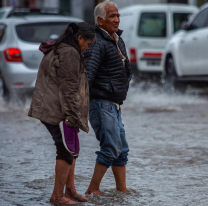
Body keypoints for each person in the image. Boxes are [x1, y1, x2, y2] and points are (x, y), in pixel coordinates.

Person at [28, 22, 95, 205]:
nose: (87, 48)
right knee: (65, 152)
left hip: (58, 109)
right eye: (88, 44)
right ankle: (57, 197)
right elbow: (69, 89)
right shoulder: (69, 53)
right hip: (59, 111)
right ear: (80, 38)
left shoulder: (63, 48)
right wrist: (72, 117)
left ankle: (70, 191)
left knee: (72, 151)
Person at [84, 1, 132, 195]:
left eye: (118, 15)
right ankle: (92, 189)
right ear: (100, 21)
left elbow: (126, 69)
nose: (116, 20)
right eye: (112, 16)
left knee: (122, 150)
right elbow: (88, 74)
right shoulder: (96, 42)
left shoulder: (117, 39)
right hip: (100, 102)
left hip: (114, 103)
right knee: (111, 147)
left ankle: (122, 190)